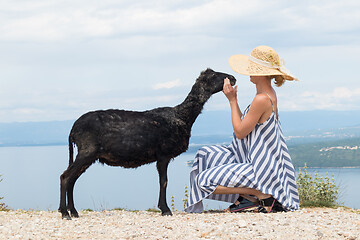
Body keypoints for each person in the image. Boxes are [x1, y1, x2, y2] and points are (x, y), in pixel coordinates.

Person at [185, 45, 299, 213]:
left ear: (261, 73)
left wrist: (231, 102)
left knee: (202, 181)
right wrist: (234, 99)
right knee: (204, 155)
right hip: (259, 161)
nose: (248, 72)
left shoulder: (261, 99)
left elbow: (240, 132)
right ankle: (248, 198)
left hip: (260, 168)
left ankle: (260, 193)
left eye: (252, 69)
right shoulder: (267, 94)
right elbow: (245, 124)